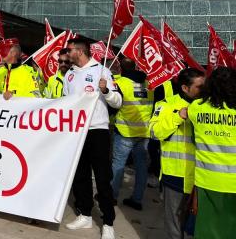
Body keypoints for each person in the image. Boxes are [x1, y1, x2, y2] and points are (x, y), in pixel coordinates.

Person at [63, 38, 121, 239]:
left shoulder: (101, 70)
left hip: (98, 131)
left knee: (103, 178)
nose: (66, 54)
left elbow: (118, 101)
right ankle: (85, 213)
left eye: (69, 50)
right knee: (80, 176)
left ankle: (108, 223)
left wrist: (106, 90)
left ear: (79, 51)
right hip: (76, 132)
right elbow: (65, 103)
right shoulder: (69, 75)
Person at [149, 68, 204, 239]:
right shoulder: (165, 104)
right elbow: (154, 132)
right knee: (174, 223)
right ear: (185, 88)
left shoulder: (209, 106)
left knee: (196, 225)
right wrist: (178, 116)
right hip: (175, 175)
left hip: (202, 176)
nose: (204, 90)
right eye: (199, 87)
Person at [182, 67, 236, 239]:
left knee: (207, 229)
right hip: (233, 182)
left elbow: (193, 138)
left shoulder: (196, 108)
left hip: (207, 181)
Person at [110, 58, 154, 210]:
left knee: (118, 165)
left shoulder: (121, 84)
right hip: (143, 133)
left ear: (120, 67)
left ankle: (112, 197)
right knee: (141, 167)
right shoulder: (149, 83)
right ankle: (137, 199)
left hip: (124, 132)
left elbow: (114, 106)